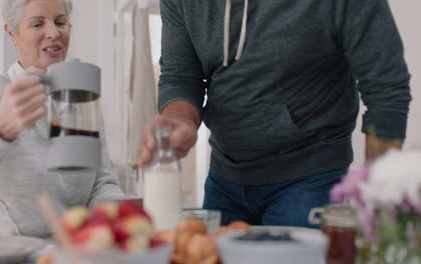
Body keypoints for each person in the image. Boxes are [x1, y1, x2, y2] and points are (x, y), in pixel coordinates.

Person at [138, 0, 411, 227]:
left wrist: (380, 201)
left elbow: (386, 86)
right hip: (224, 179)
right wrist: (180, 120)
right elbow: (181, 76)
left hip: (310, 179)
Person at [0, 0, 125, 237]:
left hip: (66, 254)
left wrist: (122, 217)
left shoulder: (81, 100)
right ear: (12, 33)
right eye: (37, 24)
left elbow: (101, 183)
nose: (54, 33)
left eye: (60, 22)